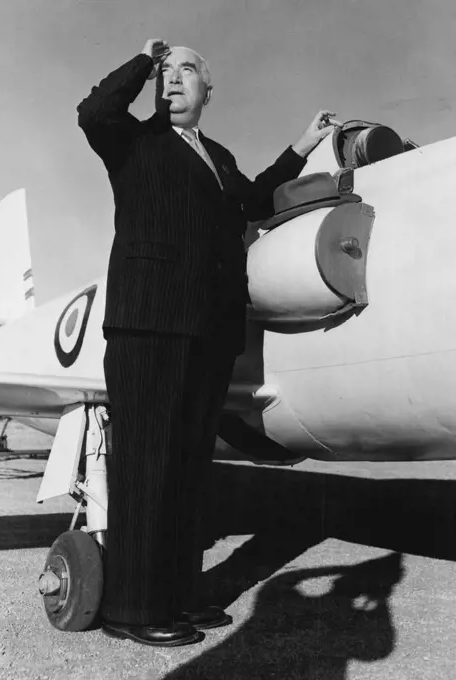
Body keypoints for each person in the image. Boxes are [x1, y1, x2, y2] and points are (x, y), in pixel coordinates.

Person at [77, 39, 339, 647]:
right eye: (163, 73)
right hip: (149, 327)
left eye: (184, 70)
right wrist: (144, 59)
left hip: (210, 332)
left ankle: (179, 597)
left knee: (189, 470)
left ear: (207, 88)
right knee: (147, 467)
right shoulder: (131, 140)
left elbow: (253, 200)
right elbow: (93, 113)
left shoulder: (216, 156)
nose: (171, 80)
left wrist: (301, 145)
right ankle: (135, 609)